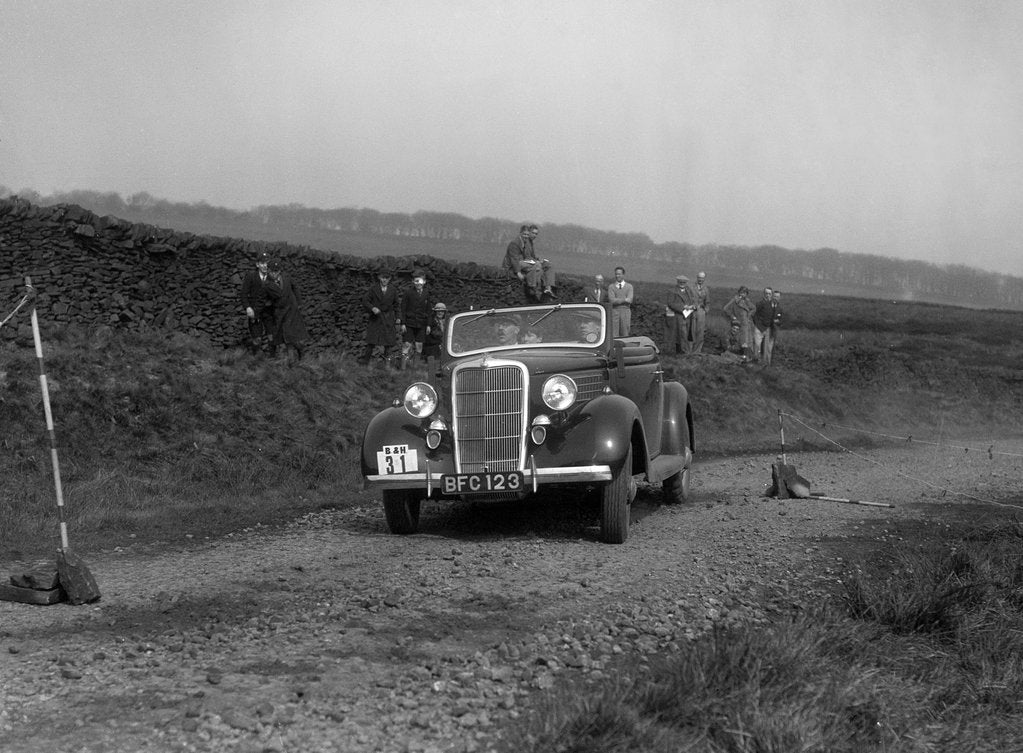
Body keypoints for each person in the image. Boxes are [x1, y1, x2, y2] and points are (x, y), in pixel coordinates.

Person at [265, 259, 309, 365]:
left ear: (280, 271)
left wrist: (299, 303)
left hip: (292, 311)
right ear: (268, 271)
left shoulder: (287, 278)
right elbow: (265, 300)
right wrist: (269, 304)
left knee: (291, 337)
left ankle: (296, 356)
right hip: (280, 313)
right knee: (286, 338)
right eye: (272, 271)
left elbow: (295, 287)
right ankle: (293, 359)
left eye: (276, 271)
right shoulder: (267, 284)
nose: (274, 274)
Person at [502, 224, 555, 302]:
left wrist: (539, 260)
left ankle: (548, 288)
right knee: (536, 267)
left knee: (549, 265)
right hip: (516, 264)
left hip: (526, 261)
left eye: (536, 234)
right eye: (525, 234)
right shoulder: (516, 243)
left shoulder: (528, 242)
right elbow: (514, 259)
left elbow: (531, 256)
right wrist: (518, 273)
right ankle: (533, 287)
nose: (526, 236)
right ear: (520, 233)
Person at [240, 251, 277, 356]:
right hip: (255, 312)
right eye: (262, 263)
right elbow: (243, 294)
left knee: (272, 338)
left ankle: (273, 361)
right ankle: (255, 359)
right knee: (257, 339)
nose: (265, 266)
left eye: (267, 263)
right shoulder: (251, 277)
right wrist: (247, 308)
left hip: (269, 313)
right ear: (257, 264)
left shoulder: (273, 278)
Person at [359, 270, 399, 366]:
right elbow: (365, 301)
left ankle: (387, 365)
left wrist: (398, 318)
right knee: (371, 342)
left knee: (388, 343)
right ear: (379, 278)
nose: (384, 280)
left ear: (389, 279)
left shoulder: (393, 290)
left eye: (387, 278)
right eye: (383, 277)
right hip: (375, 318)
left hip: (388, 318)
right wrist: (372, 308)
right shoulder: (374, 289)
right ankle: (365, 363)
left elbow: (397, 305)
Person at [397, 270, 433, 369]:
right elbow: (403, 308)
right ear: (413, 282)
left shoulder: (426, 294)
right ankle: (403, 368)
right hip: (409, 323)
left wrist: (429, 325)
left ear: (424, 282)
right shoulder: (408, 292)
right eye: (416, 281)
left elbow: (429, 310)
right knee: (407, 345)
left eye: (420, 281)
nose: (418, 283)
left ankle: (415, 368)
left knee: (419, 346)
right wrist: (403, 323)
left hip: (421, 324)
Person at [722, 285, 756, 361]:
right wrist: (733, 317)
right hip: (738, 324)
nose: (743, 294)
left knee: (747, 342)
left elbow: (754, 308)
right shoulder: (735, 300)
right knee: (739, 341)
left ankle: (747, 358)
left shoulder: (747, 301)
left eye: (745, 293)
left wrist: (749, 315)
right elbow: (726, 309)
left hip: (747, 324)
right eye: (741, 292)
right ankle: (738, 358)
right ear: (739, 292)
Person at [667, 275, 696, 354]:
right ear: (677, 282)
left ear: (686, 283)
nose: (682, 284)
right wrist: (683, 307)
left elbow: (693, 300)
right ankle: (684, 352)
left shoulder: (689, 291)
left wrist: (693, 306)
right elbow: (670, 303)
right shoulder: (672, 291)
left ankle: (682, 352)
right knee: (681, 334)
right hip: (678, 316)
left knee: (686, 334)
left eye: (684, 282)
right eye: (681, 282)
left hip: (688, 316)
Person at [752, 287, 782, 365]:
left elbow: (780, 320)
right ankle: (756, 361)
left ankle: (765, 364)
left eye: (769, 294)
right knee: (757, 345)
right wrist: (757, 324)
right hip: (760, 327)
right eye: (766, 293)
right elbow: (755, 315)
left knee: (767, 348)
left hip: (770, 330)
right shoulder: (761, 304)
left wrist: (776, 322)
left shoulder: (777, 308)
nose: (768, 295)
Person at [607, 266, 634, 337]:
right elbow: (611, 300)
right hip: (614, 312)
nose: (617, 276)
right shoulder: (611, 287)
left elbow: (630, 300)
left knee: (625, 333)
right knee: (614, 334)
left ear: (623, 275)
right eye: (616, 274)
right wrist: (624, 299)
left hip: (625, 312)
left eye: (619, 274)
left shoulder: (629, 287)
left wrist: (618, 300)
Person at [422, 302, 448, 371]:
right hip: (432, 345)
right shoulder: (431, 321)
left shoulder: (446, 321)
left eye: (442, 311)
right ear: (435, 312)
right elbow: (435, 333)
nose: (440, 313)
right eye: (438, 311)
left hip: (442, 344)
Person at [691, 271, 710, 354]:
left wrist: (705, 310)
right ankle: (689, 350)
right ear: (696, 277)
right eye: (699, 278)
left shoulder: (706, 289)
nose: (700, 280)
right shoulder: (691, 287)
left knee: (700, 332)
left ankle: (697, 351)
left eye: (702, 278)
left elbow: (708, 302)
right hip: (692, 311)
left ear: (704, 279)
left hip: (701, 312)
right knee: (691, 331)